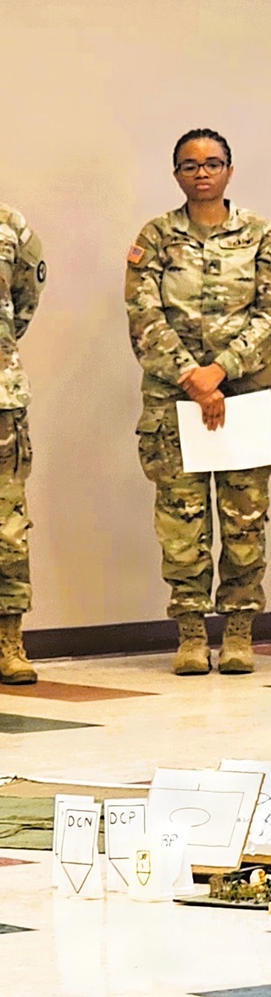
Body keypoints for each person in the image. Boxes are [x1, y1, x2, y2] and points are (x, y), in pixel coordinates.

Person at [125, 130, 271, 675]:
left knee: (245, 523)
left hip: (243, 398)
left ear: (229, 170)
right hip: (175, 404)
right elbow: (144, 318)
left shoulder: (262, 235)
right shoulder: (154, 239)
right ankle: (192, 633)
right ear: (176, 175)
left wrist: (220, 372)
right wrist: (192, 379)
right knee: (182, 524)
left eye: (213, 163)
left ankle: (239, 631)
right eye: (190, 165)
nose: (202, 173)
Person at [0, 207, 45, 685]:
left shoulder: (11, 225)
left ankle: (8, 644)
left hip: (1, 401)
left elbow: (25, 300)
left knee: (7, 528)